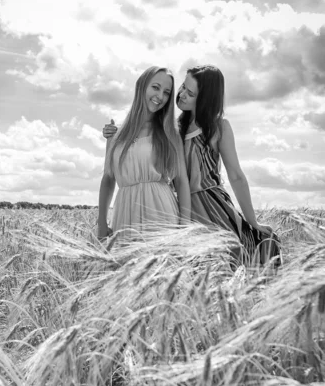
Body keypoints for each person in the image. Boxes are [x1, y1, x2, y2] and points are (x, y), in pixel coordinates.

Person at [103, 65, 281, 265]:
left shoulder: (218, 127)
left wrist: (253, 220)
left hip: (212, 207)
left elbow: (236, 176)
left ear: (204, 98)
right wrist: (114, 133)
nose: (182, 95)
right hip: (180, 207)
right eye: (182, 87)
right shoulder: (174, 128)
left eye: (191, 93)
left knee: (231, 261)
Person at [97, 66, 191, 242]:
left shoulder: (170, 132)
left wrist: (184, 229)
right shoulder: (115, 133)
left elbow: (182, 180)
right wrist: (101, 223)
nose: (160, 96)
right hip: (126, 213)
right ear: (141, 86)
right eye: (155, 87)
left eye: (166, 92)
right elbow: (108, 178)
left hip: (161, 213)